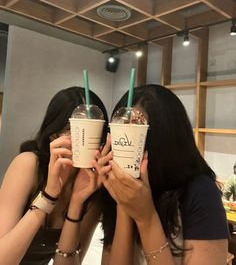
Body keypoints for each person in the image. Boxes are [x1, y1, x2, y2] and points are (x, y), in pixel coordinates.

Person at [93, 84, 229, 265]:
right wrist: (124, 204)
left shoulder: (201, 191)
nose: (128, 147)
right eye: (122, 136)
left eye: (139, 137)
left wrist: (146, 218)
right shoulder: (116, 187)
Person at [0, 86, 109, 264]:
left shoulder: (93, 189)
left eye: (93, 131)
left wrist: (76, 204)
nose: (83, 139)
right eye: (72, 129)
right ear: (53, 134)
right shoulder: (29, 165)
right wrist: (48, 196)